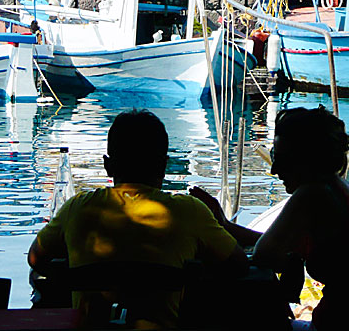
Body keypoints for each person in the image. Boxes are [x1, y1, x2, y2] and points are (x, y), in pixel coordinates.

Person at [28, 109, 249, 328]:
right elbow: (239, 264)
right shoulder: (191, 212)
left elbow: (36, 260)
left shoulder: (76, 209)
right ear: (163, 165)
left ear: (107, 165)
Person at [190, 106, 349, 331]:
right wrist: (224, 225)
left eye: (282, 159)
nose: (275, 170)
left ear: (307, 159)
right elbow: (277, 243)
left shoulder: (314, 194)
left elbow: (264, 255)